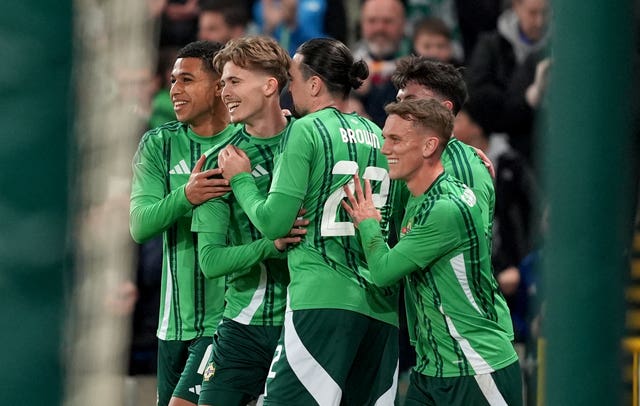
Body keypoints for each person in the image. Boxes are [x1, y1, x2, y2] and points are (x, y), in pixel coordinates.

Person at [217, 37, 400, 404]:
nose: (288, 90)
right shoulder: (379, 136)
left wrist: (241, 179)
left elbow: (275, 224)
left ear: (314, 84)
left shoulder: (306, 130)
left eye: (293, 80)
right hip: (381, 311)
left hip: (321, 300)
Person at [341, 98, 523, 406]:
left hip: (475, 368)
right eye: (385, 138)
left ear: (428, 147)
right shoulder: (420, 194)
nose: (385, 149)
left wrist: (369, 224)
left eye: (396, 140)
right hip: (430, 370)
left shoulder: (444, 209)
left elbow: (384, 272)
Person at [190, 35, 303, 406]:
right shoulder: (217, 162)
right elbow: (210, 261)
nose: (224, 92)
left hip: (304, 323)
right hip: (244, 325)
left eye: (234, 81)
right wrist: (270, 246)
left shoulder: (313, 142)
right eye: (222, 83)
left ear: (270, 86)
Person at [129, 40, 235, 406]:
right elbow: (140, 226)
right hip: (171, 325)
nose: (174, 90)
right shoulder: (158, 144)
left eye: (187, 80)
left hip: (225, 321)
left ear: (220, 85)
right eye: (173, 80)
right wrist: (186, 196)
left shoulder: (246, 142)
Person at [351, 0, 409, 127]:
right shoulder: (346, 64)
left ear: (403, 24)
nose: (380, 28)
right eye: (372, 21)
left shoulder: (421, 65)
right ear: (361, 24)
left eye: (387, 21)